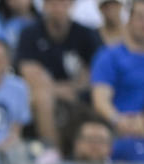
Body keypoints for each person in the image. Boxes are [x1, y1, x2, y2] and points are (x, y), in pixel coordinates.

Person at [15, 0, 102, 153]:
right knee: (42, 97)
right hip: (42, 96)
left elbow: (94, 73)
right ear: (45, 6)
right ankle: (53, 154)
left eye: (63, 3)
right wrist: (61, 89)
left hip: (78, 96)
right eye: (53, 3)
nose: (58, 8)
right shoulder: (30, 33)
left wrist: (72, 88)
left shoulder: (86, 34)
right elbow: (29, 73)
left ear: (71, 5)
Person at [90, 0, 144, 139]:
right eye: (141, 17)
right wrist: (120, 121)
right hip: (123, 131)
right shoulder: (109, 56)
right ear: (129, 20)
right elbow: (100, 101)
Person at [41, 118, 129, 164]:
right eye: (89, 139)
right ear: (76, 144)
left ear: (110, 148)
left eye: (101, 140)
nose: (95, 145)